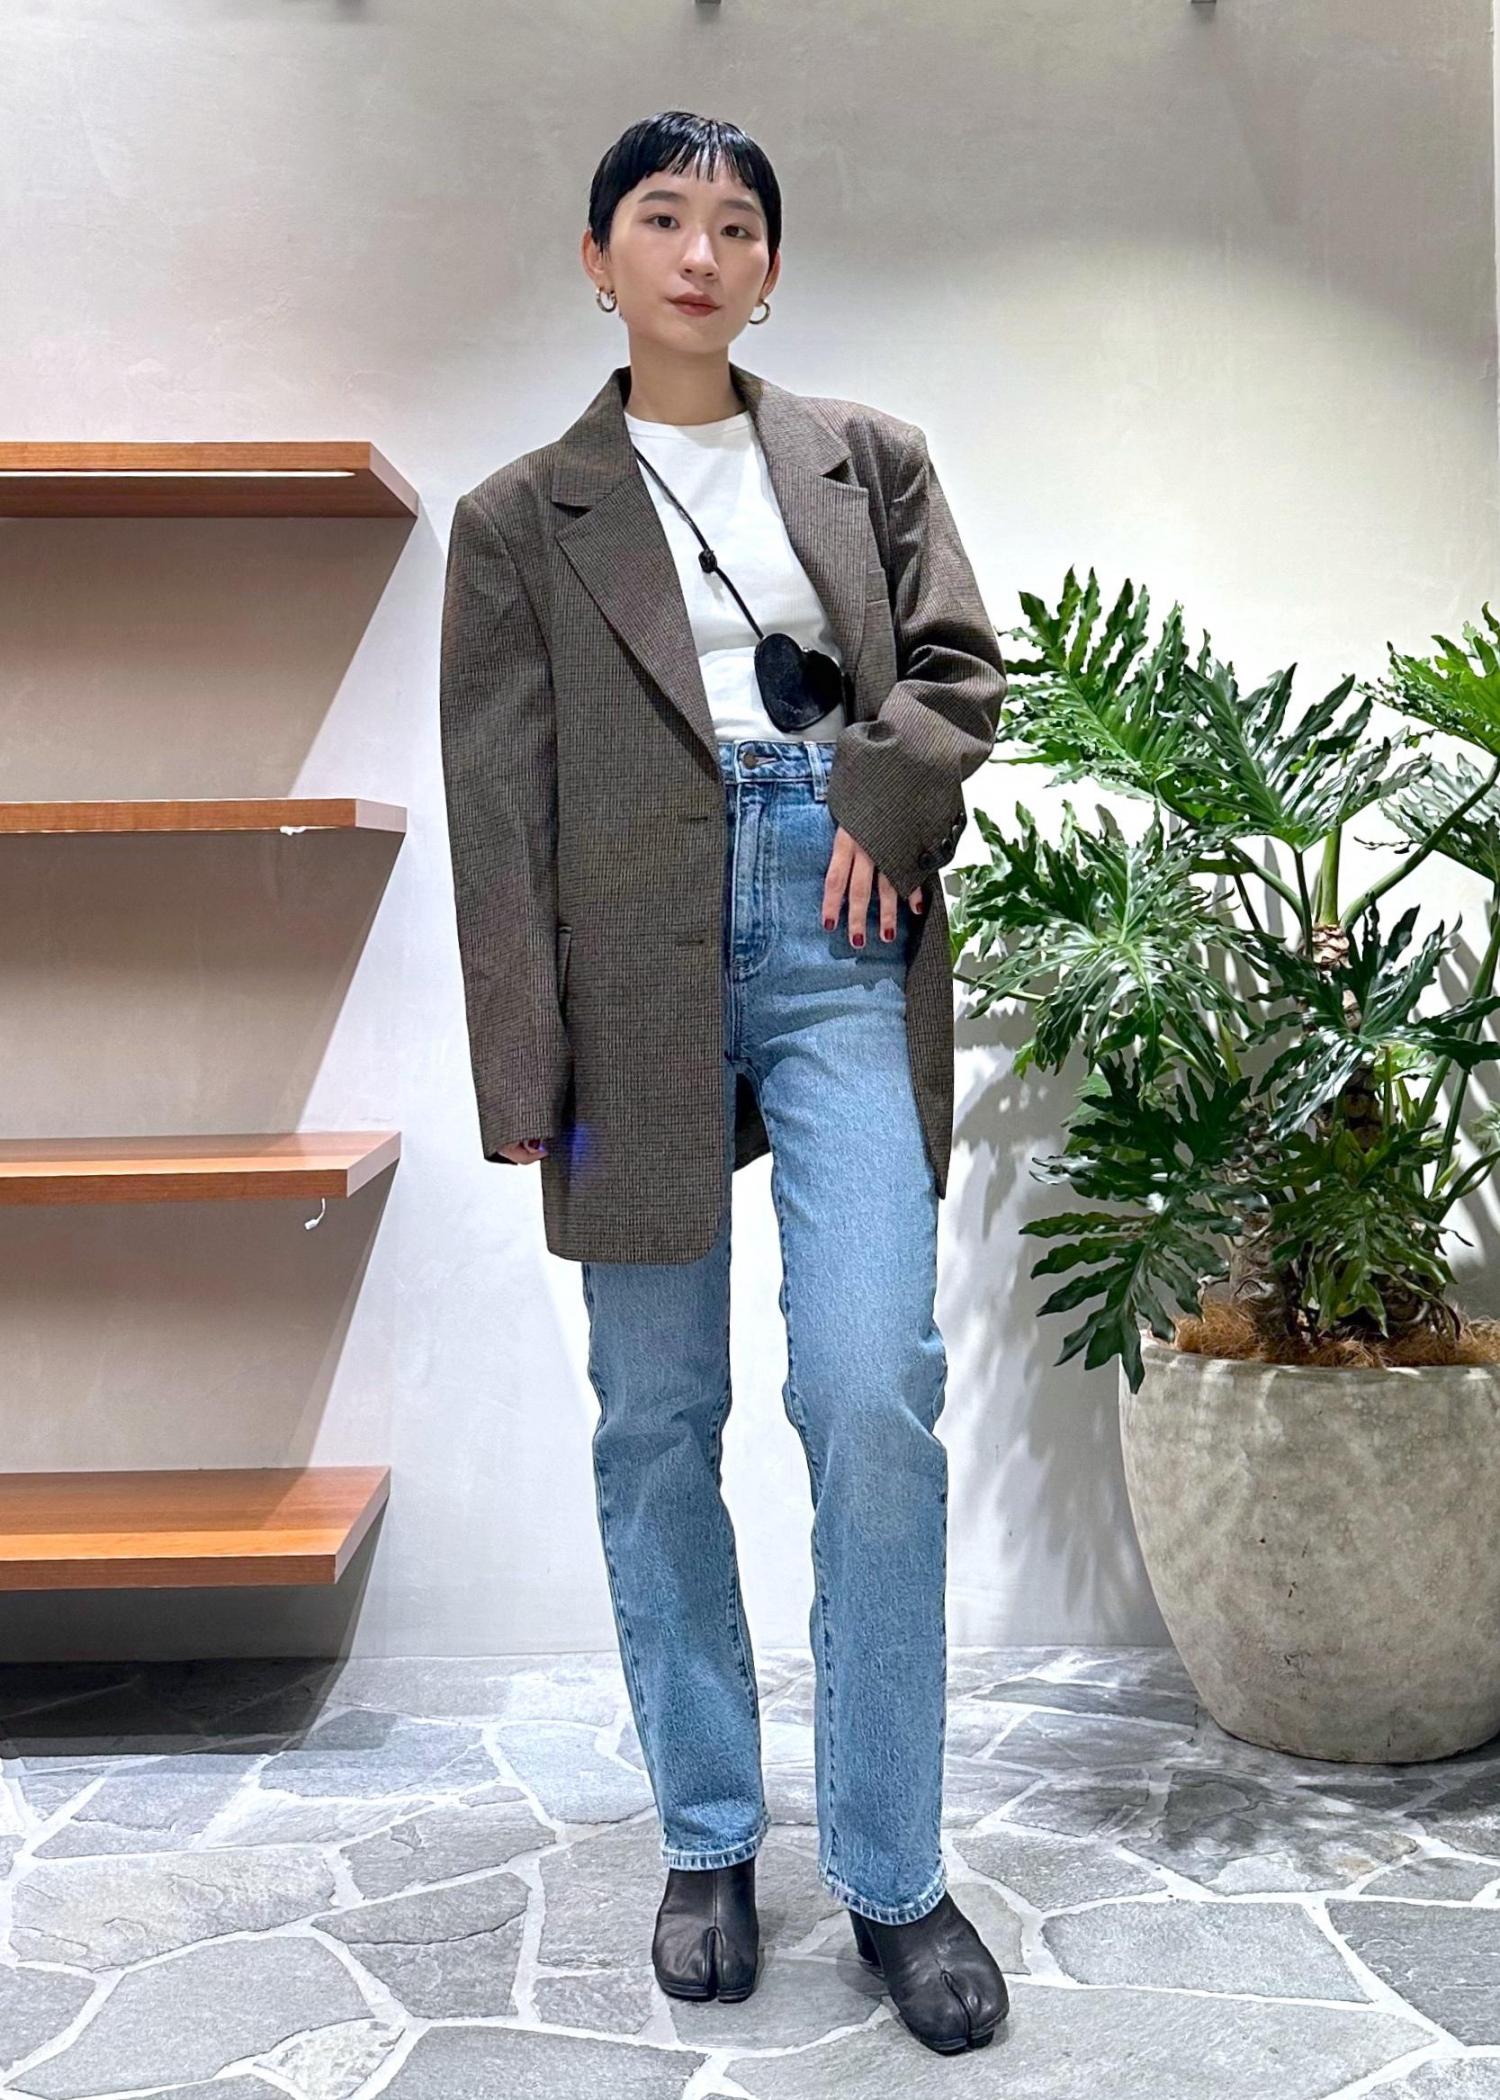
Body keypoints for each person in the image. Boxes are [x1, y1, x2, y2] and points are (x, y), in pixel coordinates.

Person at [439, 109, 1009, 2056]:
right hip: (624, 971)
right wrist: (523, 1058)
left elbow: (957, 666)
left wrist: (881, 797)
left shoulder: (870, 458)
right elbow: (497, 803)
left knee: (871, 1391)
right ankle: (705, 1836)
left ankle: (894, 1871)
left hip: (841, 928)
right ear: (598, 256)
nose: (701, 250)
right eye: (663, 217)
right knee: (655, 1414)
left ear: (770, 268)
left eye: (738, 223)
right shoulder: (519, 518)